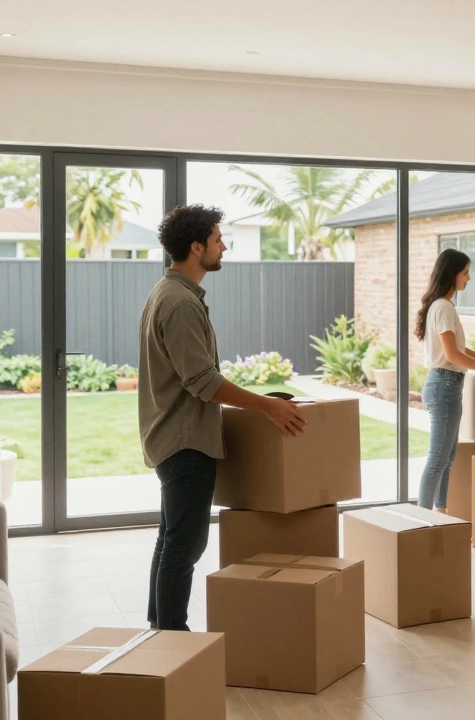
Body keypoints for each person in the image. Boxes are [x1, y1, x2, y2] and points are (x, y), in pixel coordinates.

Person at [139, 204, 307, 631]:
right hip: (185, 442)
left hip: (176, 437)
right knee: (184, 546)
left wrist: (257, 397)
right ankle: (173, 640)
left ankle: (161, 634)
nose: (224, 246)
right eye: (217, 240)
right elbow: (202, 381)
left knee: (171, 541)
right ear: (197, 247)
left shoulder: (171, 294)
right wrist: (267, 407)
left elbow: (197, 375)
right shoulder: (178, 302)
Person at [414, 248, 475, 512]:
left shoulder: (442, 305)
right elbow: (452, 354)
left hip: (445, 385)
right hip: (444, 385)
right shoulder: (443, 307)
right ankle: (421, 521)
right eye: (465, 272)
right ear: (452, 274)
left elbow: (461, 350)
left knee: (447, 457)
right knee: (438, 459)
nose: (468, 278)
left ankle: (440, 515)